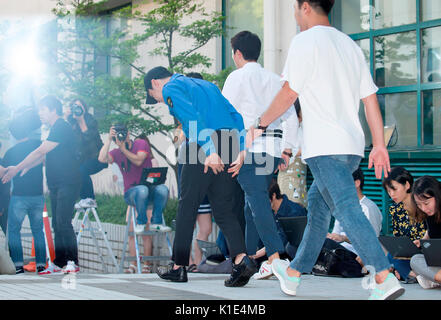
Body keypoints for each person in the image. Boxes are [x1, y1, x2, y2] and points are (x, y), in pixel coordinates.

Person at [246, 0, 404, 300]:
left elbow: (289, 91)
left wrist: (260, 123)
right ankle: (293, 274)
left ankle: (383, 275)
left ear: (305, 7)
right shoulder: (349, 45)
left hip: (324, 146)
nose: (294, 14)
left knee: (345, 207)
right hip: (351, 148)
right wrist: (379, 144)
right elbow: (370, 99)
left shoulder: (305, 41)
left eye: (295, 8)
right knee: (319, 209)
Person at [144, 66, 256, 287]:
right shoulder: (208, 85)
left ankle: (178, 267)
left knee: (187, 206)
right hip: (229, 142)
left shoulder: (171, 87)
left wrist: (210, 150)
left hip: (204, 146)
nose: (159, 101)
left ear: (156, 83)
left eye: (154, 97)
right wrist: (241, 149)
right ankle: (242, 260)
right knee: (224, 209)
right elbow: (236, 115)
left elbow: (191, 118)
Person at [222, 31, 299, 275]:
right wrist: (288, 150)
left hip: (248, 150)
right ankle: (252, 259)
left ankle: (276, 258)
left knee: (256, 203)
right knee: (251, 203)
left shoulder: (236, 78)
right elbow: (291, 117)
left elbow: (227, 118)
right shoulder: (275, 79)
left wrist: (227, 154)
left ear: (238, 53)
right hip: (273, 151)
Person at [2, 95, 82, 274]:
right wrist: (25, 167)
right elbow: (43, 157)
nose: (40, 114)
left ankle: (72, 262)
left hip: (68, 182)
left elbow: (40, 150)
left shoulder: (61, 127)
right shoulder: (54, 129)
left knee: (63, 222)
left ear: (53, 109)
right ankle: (59, 262)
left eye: (42, 110)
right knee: (56, 224)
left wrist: (17, 168)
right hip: (56, 183)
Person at [98, 125, 171, 234]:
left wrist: (123, 149)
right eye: (118, 136)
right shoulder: (116, 153)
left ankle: (156, 223)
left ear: (128, 134)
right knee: (142, 189)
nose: (121, 137)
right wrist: (108, 140)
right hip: (131, 194)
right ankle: (141, 223)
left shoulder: (141, 143)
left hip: (149, 191)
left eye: (123, 134)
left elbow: (138, 160)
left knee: (163, 189)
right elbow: (101, 158)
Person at [2, 107, 47, 274]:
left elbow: (4, 171)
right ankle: (42, 264)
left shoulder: (11, 152)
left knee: (14, 230)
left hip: (19, 197)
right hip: (38, 195)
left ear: (14, 134)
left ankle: (18, 265)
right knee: (38, 230)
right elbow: (44, 160)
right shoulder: (38, 145)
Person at [253, 180, 307, 280]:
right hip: (276, 255)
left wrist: (256, 254)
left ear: (273, 196)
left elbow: (283, 240)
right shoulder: (269, 212)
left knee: (289, 247)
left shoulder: (294, 210)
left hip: (293, 253)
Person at [382, 166, 426, 283]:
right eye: (388, 191)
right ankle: (414, 275)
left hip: (424, 254)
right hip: (407, 256)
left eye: (394, 189)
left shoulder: (423, 204)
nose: (391, 194)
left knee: (392, 260)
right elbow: (398, 241)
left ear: (407, 185)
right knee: (390, 256)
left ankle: (408, 274)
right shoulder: (395, 210)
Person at [328, 167, 383, 256]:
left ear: (356, 183)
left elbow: (371, 242)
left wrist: (344, 238)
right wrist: (331, 237)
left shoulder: (368, 208)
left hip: (359, 256)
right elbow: (336, 234)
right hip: (339, 252)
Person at [66, 99, 108, 208]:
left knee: (82, 170)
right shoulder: (72, 121)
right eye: (75, 106)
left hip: (98, 157)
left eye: (80, 106)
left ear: (85, 108)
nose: (78, 109)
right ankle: (84, 199)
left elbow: (88, 137)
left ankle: (90, 198)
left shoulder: (91, 120)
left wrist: (81, 121)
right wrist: (67, 118)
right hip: (83, 160)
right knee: (76, 172)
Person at [410, 176, 441, 289]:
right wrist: (423, 241)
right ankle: (435, 279)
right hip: (438, 261)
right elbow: (432, 231)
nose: (423, 208)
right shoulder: (430, 214)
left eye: (426, 203)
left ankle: (433, 279)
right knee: (415, 260)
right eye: (419, 205)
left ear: (437, 196)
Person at [277, 99, 308, 208]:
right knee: (290, 205)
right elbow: (282, 150)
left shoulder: (303, 127)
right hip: (288, 171)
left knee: (301, 205)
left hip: (301, 173)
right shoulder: (286, 125)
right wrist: (302, 151)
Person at [0, 141, 10, 236]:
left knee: (9, 234)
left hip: (2, 207)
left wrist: (1, 208)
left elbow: (5, 188)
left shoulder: (3, 165)